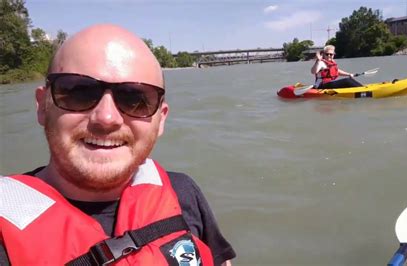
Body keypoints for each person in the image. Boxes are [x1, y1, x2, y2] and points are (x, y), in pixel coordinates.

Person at [0, 24, 235, 266]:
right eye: (78, 92)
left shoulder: (184, 193)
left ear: (161, 119)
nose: (107, 118)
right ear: (42, 106)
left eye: (135, 99)